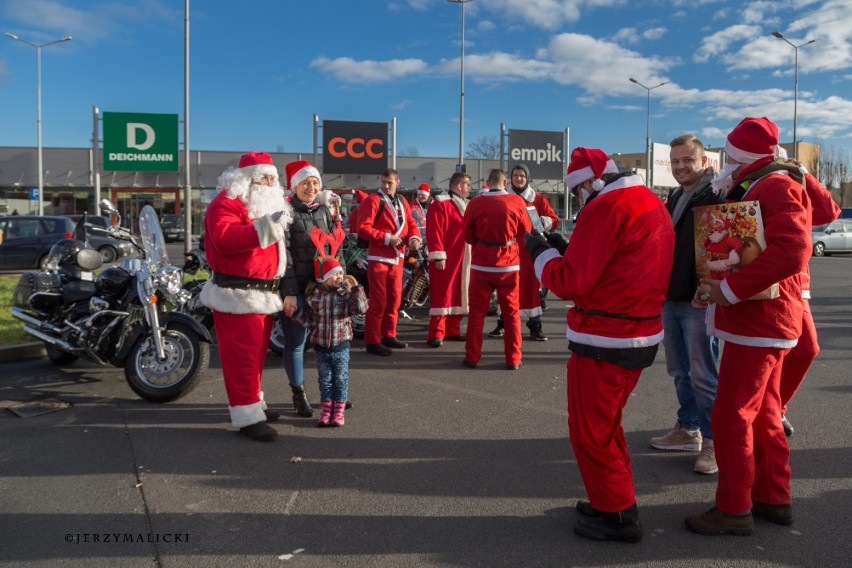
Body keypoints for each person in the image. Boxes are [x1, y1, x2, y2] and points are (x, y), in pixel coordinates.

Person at [525, 147, 674, 542]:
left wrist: (540, 253)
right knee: (607, 426)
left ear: (589, 182)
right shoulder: (647, 200)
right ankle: (611, 497)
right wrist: (561, 244)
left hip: (606, 336)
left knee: (592, 431)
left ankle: (618, 515)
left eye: (577, 192)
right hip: (639, 331)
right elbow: (616, 261)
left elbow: (571, 282)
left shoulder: (603, 208)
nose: (578, 200)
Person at [684, 117, 811, 536]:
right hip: (763, 321)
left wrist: (731, 291)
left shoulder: (774, 185)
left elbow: (793, 249)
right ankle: (773, 498)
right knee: (765, 413)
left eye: (731, 155)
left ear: (740, 157)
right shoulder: (769, 182)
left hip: (759, 322)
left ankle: (734, 508)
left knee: (730, 414)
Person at [200, 151, 292, 442]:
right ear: (245, 179)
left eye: (272, 177)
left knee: (255, 357)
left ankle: (255, 404)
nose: (268, 181)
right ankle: (246, 416)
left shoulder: (262, 204)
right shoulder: (224, 203)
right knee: (241, 358)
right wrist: (265, 228)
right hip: (237, 295)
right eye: (262, 176)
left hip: (262, 296)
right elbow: (225, 240)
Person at [649, 135, 722, 475]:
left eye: (687, 161)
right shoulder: (676, 195)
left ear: (703, 161)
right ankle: (688, 428)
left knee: (704, 375)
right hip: (671, 298)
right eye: (675, 161)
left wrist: (708, 289)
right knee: (679, 372)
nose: (680, 166)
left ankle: (713, 441)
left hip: (698, 302)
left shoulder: (716, 194)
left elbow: (723, 246)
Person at [778, 165, 840, 437]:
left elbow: (830, 212)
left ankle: (775, 407)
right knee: (768, 356)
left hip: (796, 286)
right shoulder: (751, 183)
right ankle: (767, 411)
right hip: (761, 283)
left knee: (806, 348)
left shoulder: (794, 183)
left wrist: (804, 174)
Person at [278, 160, 342, 419]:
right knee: (297, 344)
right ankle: (298, 393)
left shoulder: (324, 212)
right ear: (295, 186)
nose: (311, 187)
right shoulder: (285, 213)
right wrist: (290, 292)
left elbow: (334, 250)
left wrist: (340, 279)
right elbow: (285, 257)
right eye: (306, 183)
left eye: (315, 183)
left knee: (328, 344)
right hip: (297, 290)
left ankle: (331, 394)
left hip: (322, 291)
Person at [462, 168, 531, 370]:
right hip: (508, 264)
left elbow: (467, 235)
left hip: (482, 264)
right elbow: (525, 232)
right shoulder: (516, 202)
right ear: (505, 181)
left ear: (487, 181)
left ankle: (472, 356)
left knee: (476, 313)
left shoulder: (475, 203)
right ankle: (514, 358)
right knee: (511, 314)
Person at [489, 163, 558, 341]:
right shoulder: (503, 198)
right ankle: (503, 322)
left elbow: (554, 220)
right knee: (507, 287)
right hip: (508, 250)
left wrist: (540, 221)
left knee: (530, 287)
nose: (519, 178)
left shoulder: (539, 199)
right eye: (516, 175)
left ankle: (535, 324)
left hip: (530, 251)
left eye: (522, 176)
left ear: (527, 178)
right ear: (509, 179)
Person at [295, 257, 367, 427]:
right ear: (323, 278)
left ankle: (339, 412)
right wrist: (295, 315)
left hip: (341, 346)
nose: (340, 277)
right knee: (325, 379)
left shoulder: (346, 295)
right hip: (321, 348)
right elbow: (310, 321)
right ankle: (326, 411)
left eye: (341, 273)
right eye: (335, 274)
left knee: (340, 379)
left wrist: (357, 288)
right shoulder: (314, 297)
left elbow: (361, 309)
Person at [357, 168, 422, 356]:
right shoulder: (373, 200)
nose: (385, 186)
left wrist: (414, 238)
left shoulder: (402, 201)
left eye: (389, 182)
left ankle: (389, 335)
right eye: (383, 182)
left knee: (394, 300)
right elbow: (363, 228)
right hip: (379, 256)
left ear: (397, 182)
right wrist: (387, 238)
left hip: (397, 257)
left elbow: (411, 223)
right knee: (379, 301)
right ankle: (372, 341)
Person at [425, 172, 471, 347]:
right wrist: (438, 255)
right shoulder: (440, 204)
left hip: (463, 258)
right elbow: (434, 231)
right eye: (467, 185)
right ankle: (436, 333)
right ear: (459, 186)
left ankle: (452, 329)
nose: (469, 188)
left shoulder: (464, 204)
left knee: (458, 293)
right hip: (446, 257)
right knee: (443, 294)